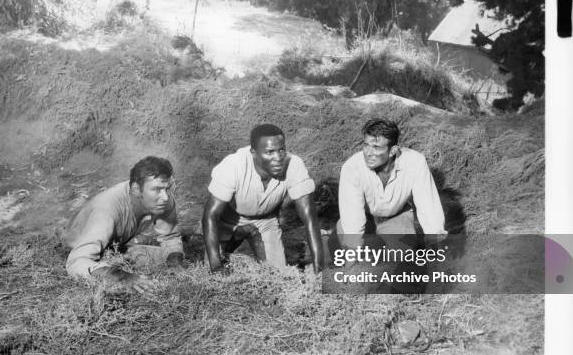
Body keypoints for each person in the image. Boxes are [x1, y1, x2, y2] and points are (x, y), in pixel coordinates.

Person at [202, 124, 324, 275]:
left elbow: (309, 219)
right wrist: (216, 266)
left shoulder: (294, 165)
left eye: (281, 150)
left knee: (278, 276)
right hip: (229, 221)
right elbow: (210, 215)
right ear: (253, 152)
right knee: (209, 270)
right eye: (270, 152)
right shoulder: (233, 165)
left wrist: (319, 271)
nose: (278, 158)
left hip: (266, 222)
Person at [64, 156, 184, 293]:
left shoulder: (163, 199)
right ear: (136, 190)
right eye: (157, 190)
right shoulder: (106, 209)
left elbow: (170, 237)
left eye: (167, 188)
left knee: (165, 256)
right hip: (82, 248)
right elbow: (76, 260)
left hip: (114, 247)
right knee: (110, 267)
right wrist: (122, 277)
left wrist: (175, 265)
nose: (165, 197)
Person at [335, 118, 447, 251]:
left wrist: (435, 246)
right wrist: (351, 261)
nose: (368, 153)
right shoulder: (352, 167)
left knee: (402, 259)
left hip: (397, 217)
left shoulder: (415, 162)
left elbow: (428, 204)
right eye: (366, 145)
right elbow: (352, 216)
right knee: (356, 251)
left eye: (376, 147)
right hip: (365, 218)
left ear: (393, 150)